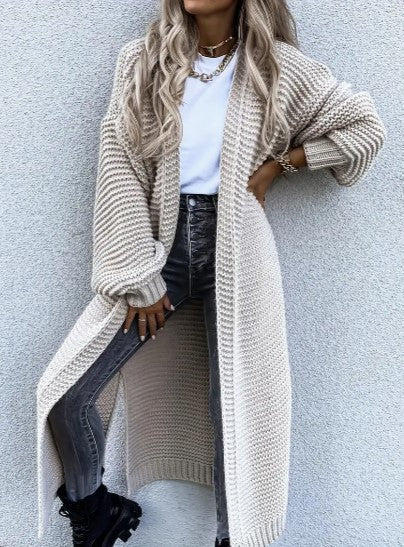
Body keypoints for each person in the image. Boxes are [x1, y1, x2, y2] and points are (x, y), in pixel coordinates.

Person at [39, 1, 386, 546]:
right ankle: (94, 510)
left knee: (237, 409)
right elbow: (119, 165)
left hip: (239, 252)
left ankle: (234, 537)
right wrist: (138, 276)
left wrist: (281, 165)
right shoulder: (144, 61)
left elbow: (364, 129)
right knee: (67, 392)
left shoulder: (275, 67)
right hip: (164, 251)